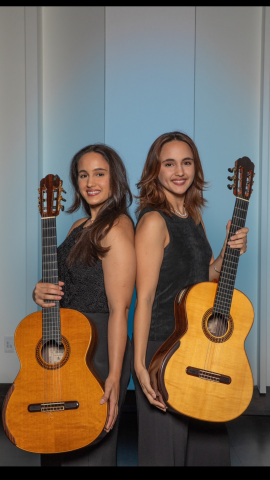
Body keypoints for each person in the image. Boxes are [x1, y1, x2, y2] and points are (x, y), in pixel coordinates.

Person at [133, 131, 248, 466]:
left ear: (196, 169)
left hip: (198, 345)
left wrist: (229, 247)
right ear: (156, 171)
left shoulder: (193, 215)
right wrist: (140, 366)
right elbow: (146, 297)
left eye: (186, 162)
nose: (179, 171)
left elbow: (206, 278)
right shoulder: (154, 221)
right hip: (163, 349)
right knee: (163, 454)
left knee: (208, 451)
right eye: (169, 163)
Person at [33, 144, 136, 466]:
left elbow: (120, 309)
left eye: (100, 173)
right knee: (53, 435)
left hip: (101, 345)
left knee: (88, 441)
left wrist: (115, 377)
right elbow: (63, 285)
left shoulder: (116, 228)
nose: (91, 181)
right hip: (66, 341)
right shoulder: (78, 227)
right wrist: (40, 292)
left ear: (114, 179)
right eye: (83, 174)